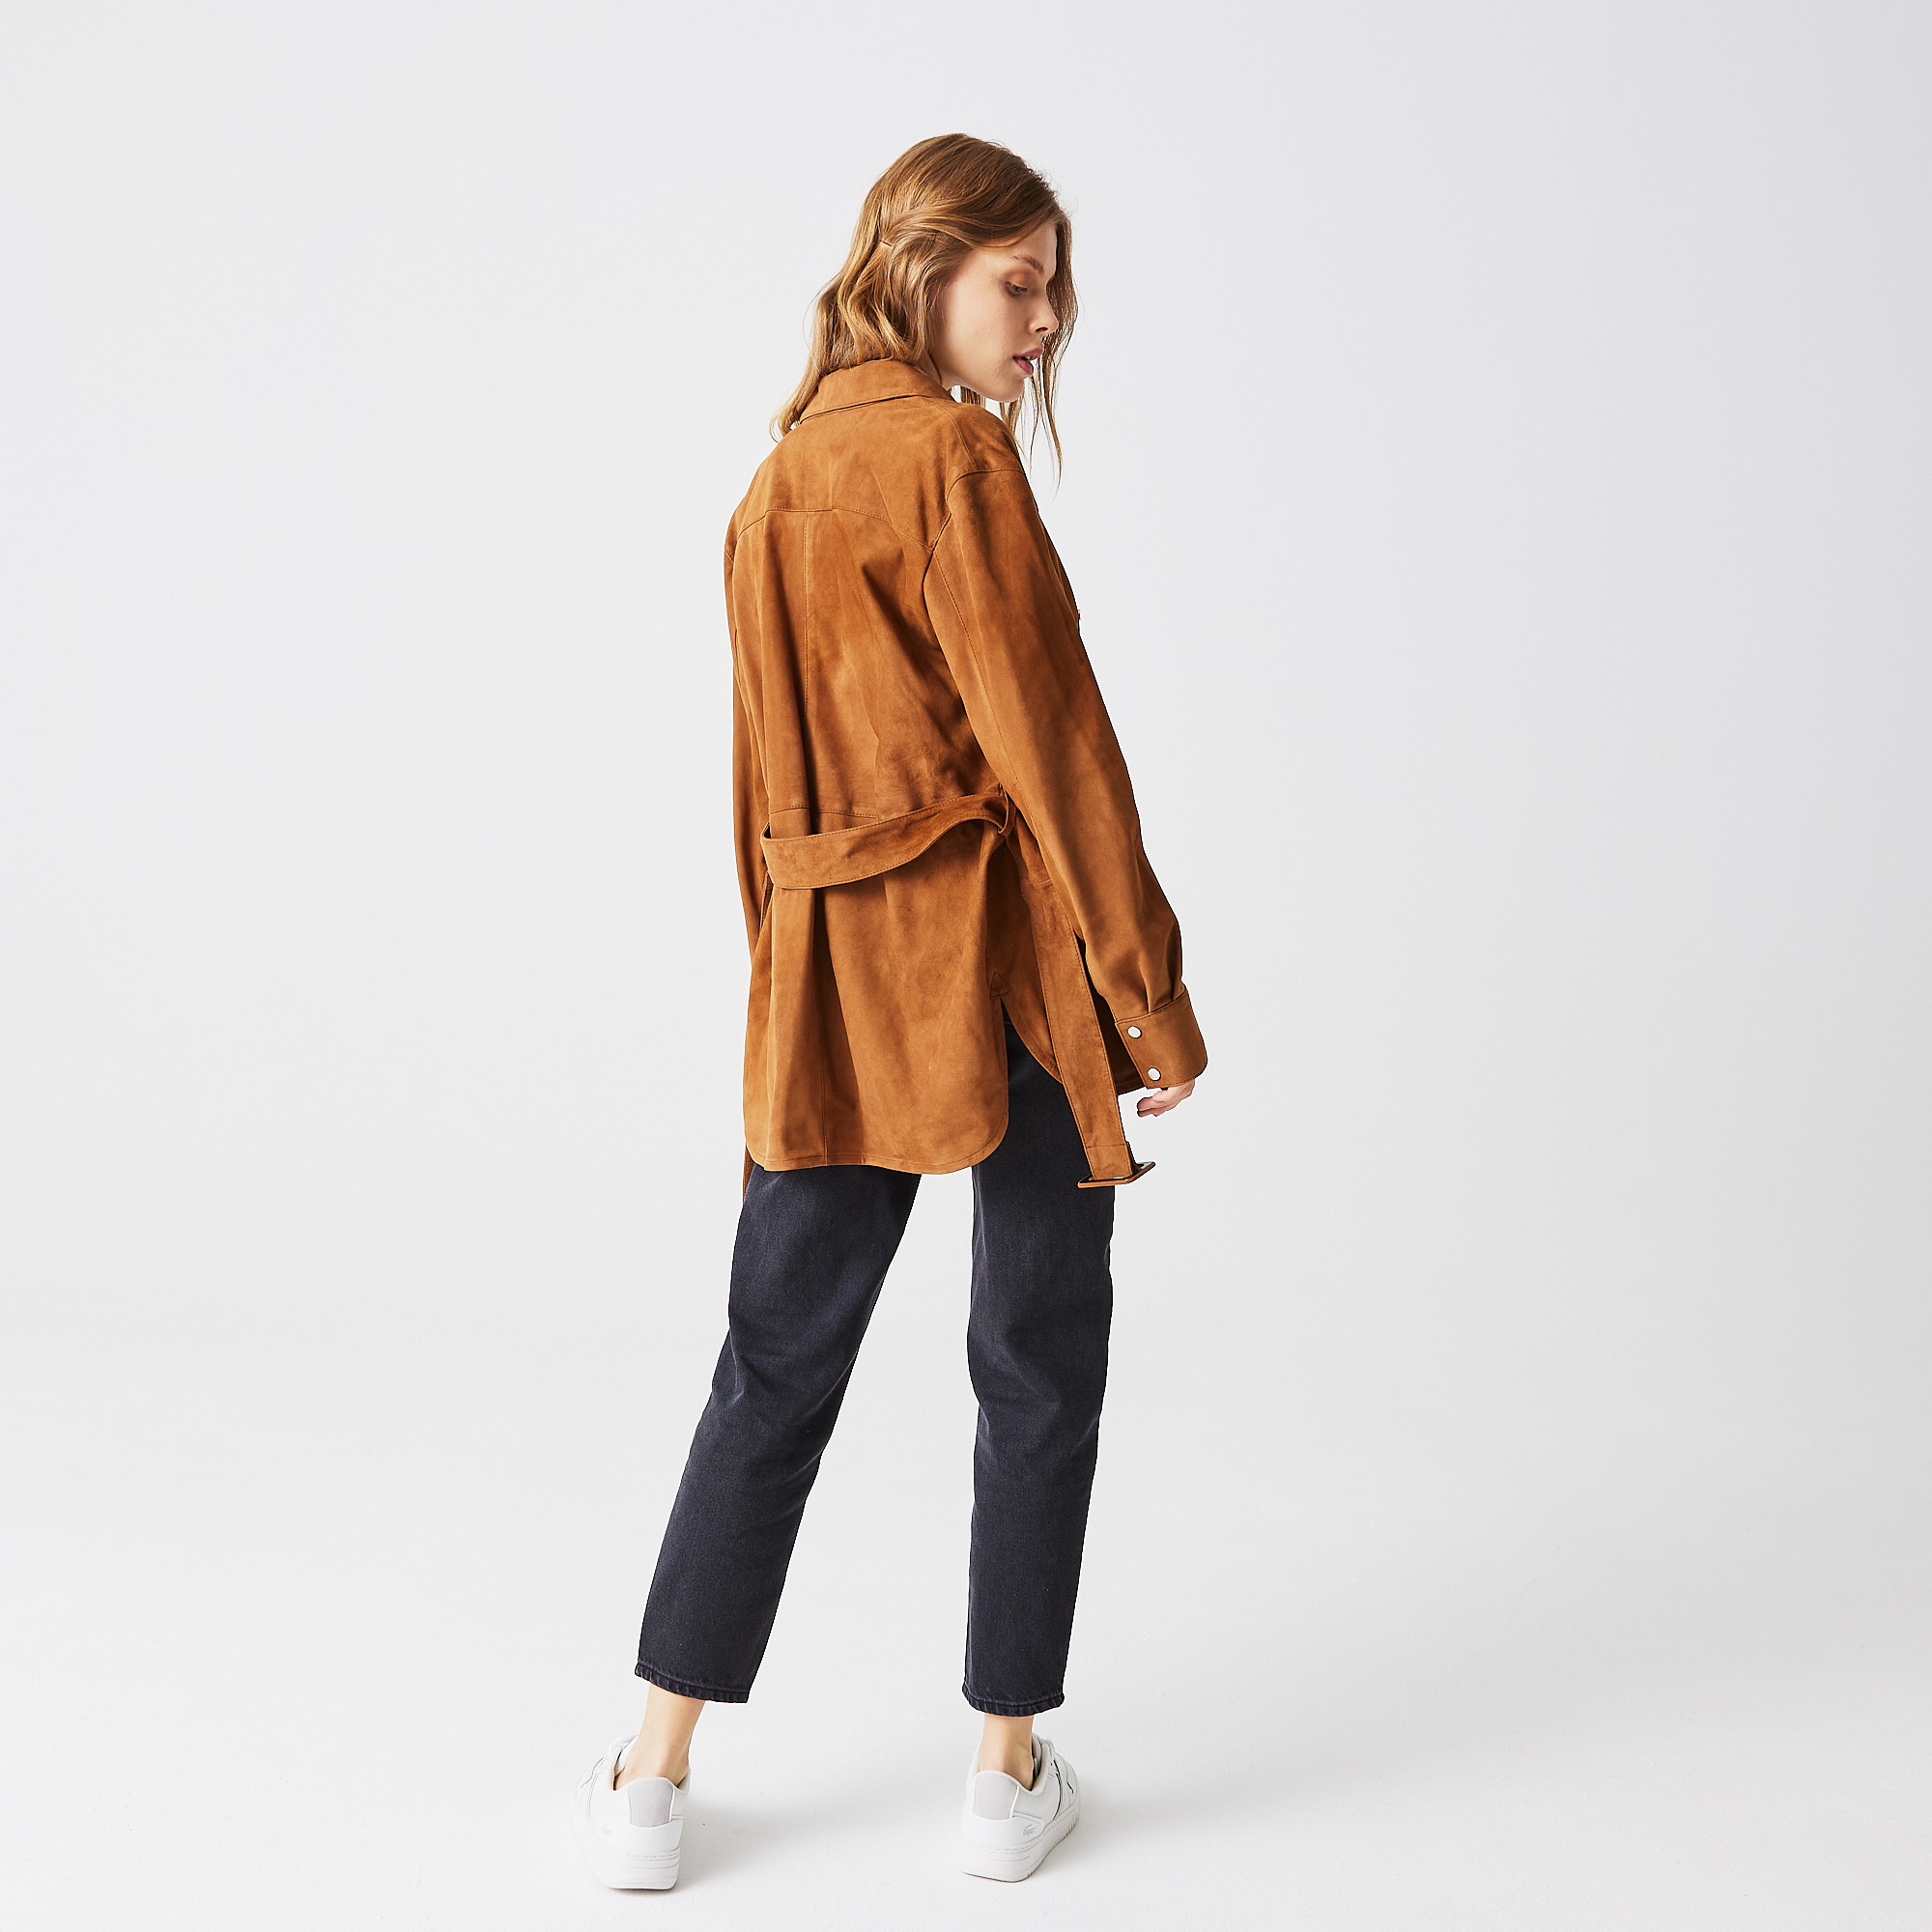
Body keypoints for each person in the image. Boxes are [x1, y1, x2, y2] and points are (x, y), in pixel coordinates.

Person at [572, 131, 1208, 1890]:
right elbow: (1057, 748)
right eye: (1022, 281)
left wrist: (784, 979)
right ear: (923, 263)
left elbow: (757, 797)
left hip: (838, 977)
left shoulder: (777, 479)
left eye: (1056, 289)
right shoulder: (955, 459)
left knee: (773, 1359)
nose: (1047, 319)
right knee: (1039, 1359)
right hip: (1010, 968)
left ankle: (650, 1776)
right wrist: (1147, 992)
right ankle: (1005, 1775)